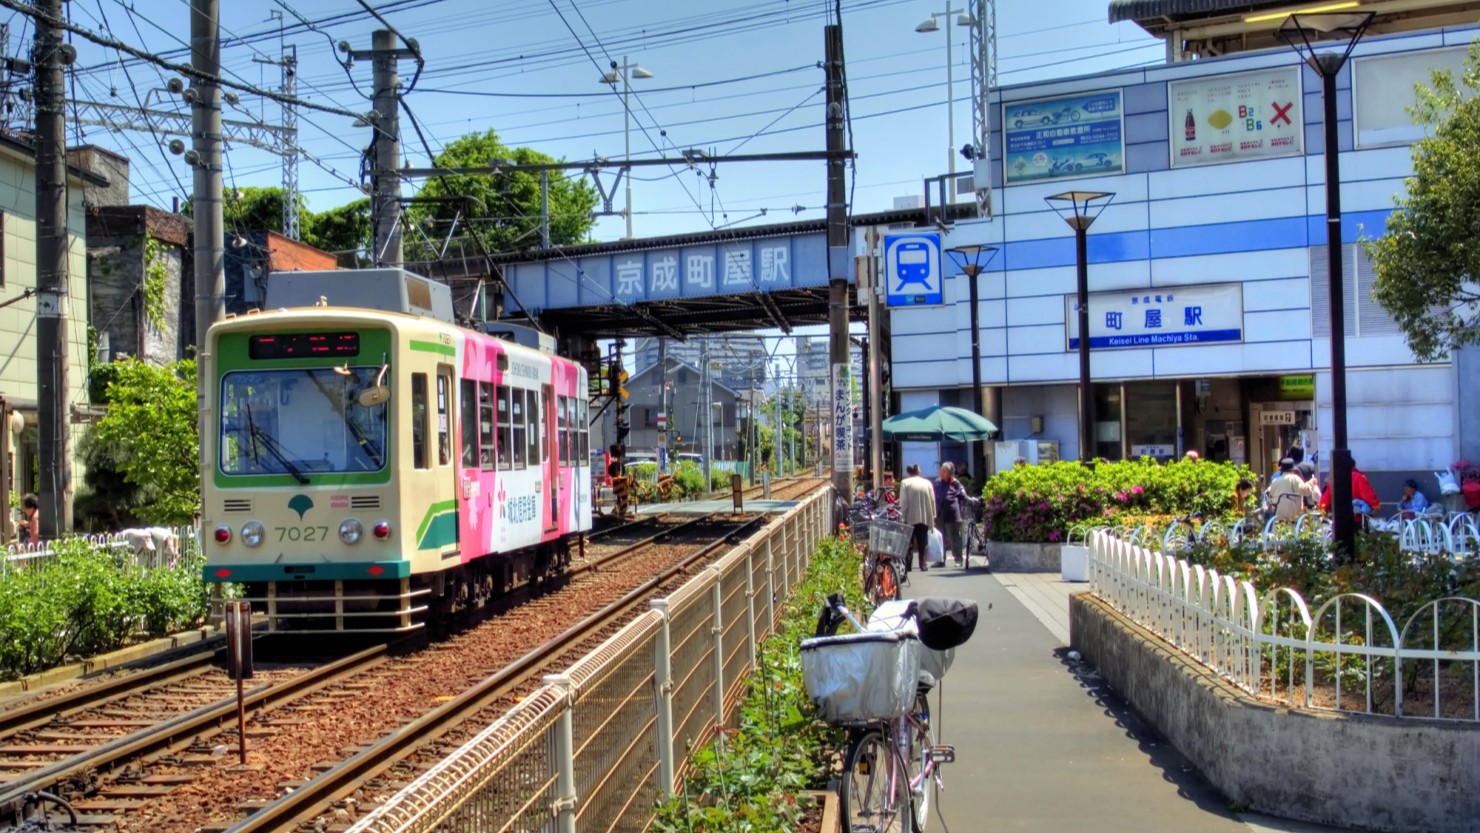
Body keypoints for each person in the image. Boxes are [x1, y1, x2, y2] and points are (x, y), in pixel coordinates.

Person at [898, 464, 936, 573]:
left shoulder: (905, 483)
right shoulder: (927, 483)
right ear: (918, 471)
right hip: (924, 517)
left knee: (908, 542)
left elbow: (904, 502)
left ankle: (908, 565)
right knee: (923, 542)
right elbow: (932, 500)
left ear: (908, 472)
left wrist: (902, 516)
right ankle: (923, 564)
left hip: (910, 517)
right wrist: (933, 515)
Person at [933, 463, 969, 568]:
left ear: (950, 473)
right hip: (940, 513)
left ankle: (958, 559)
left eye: (944, 471)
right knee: (939, 538)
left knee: (954, 538)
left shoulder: (955, 483)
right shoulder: (937, 482)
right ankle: (940, 560)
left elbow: (963, 494)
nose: (941, 473)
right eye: (941, 471)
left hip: (952, 513)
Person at [1266, 459, 1316, 523]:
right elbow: (1305, 491)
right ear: (1293, 470)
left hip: (1278, 517)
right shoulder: (1295, 479)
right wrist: (1310, 483)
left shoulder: (1275, 481)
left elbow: (1269, 495)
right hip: (1293, 517)